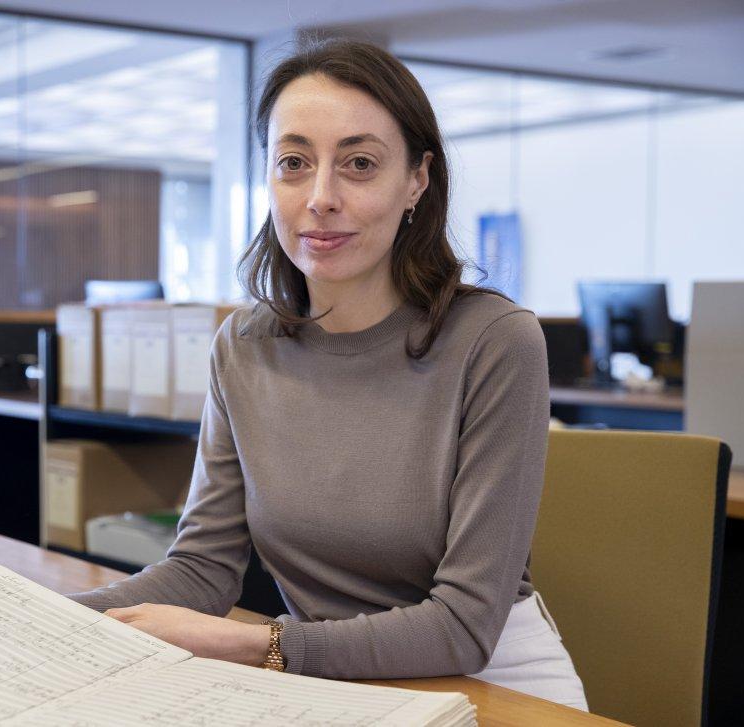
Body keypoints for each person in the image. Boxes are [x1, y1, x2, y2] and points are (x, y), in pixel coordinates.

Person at [68, 38, 587, 710]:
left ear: (417, 180)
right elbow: (202, 568)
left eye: (359, 164)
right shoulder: (244, 346)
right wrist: (50, 614)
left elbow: (464, 623)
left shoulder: (494, 341)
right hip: (336, 685)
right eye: (294, 163)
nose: (320, 197)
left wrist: (265, 646)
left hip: (494, 683)